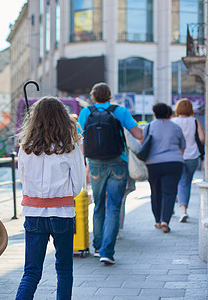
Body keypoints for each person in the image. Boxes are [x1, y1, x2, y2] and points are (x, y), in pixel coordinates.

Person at [15, 97, 85, 300]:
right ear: (63, 119)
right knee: (64, 270)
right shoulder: (70, 146)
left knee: (31, 271)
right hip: (62, 213)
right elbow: (77, 184)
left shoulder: (25, 147)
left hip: (33, 213)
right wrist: (61, 196)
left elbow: (23, 180)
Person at [78, 83, 143, 265]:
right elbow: (138, 134)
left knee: (98, 206)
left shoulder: (86, 112)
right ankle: (107, 251)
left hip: (95, 164)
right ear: (109, 96)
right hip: (118, 162)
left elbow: (78, 138)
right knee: (114, 207)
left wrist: (85, 164)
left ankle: (97, 246)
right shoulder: (119, 111)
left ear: (93, 96)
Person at [145, 103, 185, 233]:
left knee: (155, 192)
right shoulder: (176, 127)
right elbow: (182, 146)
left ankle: (157, 220)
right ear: (168, 114)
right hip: (174, 162)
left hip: (153, 164)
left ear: (154, 113)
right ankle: (165, 221)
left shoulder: (149, 126)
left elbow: (143, 143)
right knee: (169, 192)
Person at [171, 98, 204, 223]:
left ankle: (181, 209)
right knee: (186, 183)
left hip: (177, 156)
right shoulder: (195, 121)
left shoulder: (173, 121)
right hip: (192, 156)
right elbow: (201, 138)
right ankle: (183, 210)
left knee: (179, 182)